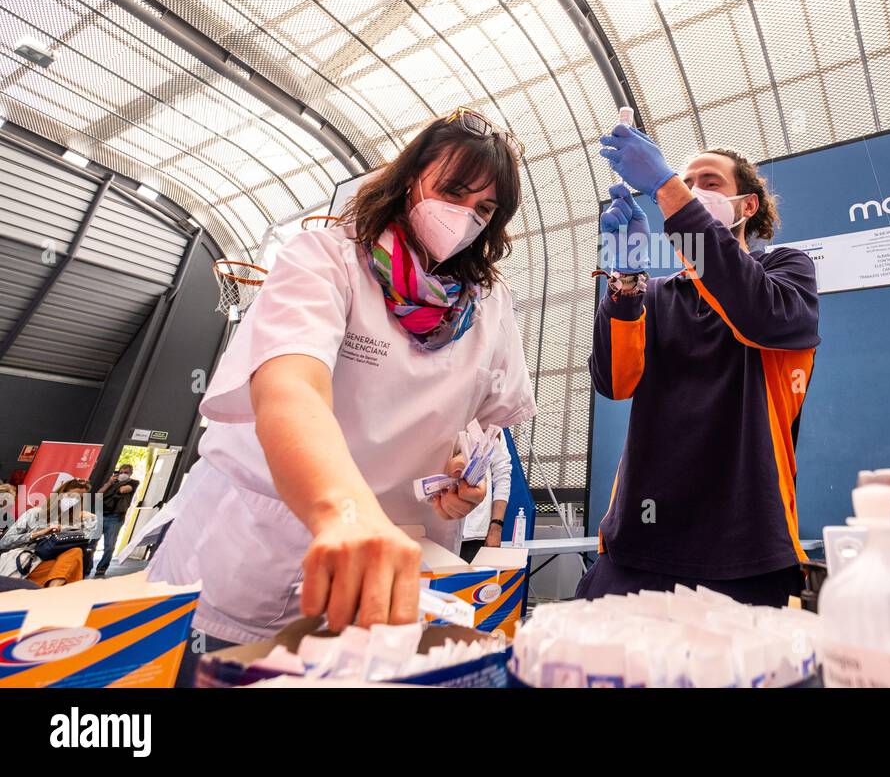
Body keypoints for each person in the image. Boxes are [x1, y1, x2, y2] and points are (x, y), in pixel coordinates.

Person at [147, 108, 537, 673]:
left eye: (484, 209)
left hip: (392, 577)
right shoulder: (327, 260)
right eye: (453, 192)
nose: (465, 218)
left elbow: (478, 425)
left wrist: (460, 478)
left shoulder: (489, 306)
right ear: (409, 179)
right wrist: (345, 514)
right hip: (260, 553)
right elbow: (290, 390)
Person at [580, 124, 820, 607]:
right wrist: (625, 278)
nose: (692, 191)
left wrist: (665, 188)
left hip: (746, 546)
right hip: (640, 539)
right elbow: (614, 381)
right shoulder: (654, 294)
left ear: (747, 205)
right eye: (685, 183)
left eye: (708, 182)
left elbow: (757, 315)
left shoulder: (787, 272)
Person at [0, 479, 97, 587]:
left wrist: (88, 522)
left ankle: (51, 592)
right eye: (72, 495)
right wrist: (37, 534)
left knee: (75, 552)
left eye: (80, 498)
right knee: (70, 564)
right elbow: (4, 542)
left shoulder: (82, 519)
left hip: (57, 562)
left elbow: (87, 543)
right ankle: (52, 594)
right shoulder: (34, 514)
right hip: (31, 559)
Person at [459, 430, 511, 558]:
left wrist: (496, 527)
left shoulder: (492, 423)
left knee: (476, 578)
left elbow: (502, 475)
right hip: (436, 531)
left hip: (475, 533)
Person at [92, 463, 139, 577]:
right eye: (121, 472)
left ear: (130, 474)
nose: (123, 475)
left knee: (109, 545)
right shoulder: (112, 483)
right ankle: (86, 567)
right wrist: (109, 483)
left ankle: (101, 569)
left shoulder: (133, 482)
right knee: (91, 543)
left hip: (115, 517)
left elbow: (123, 490)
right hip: (101, 514)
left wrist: (118, 483)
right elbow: (99, 494)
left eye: (126, 473)